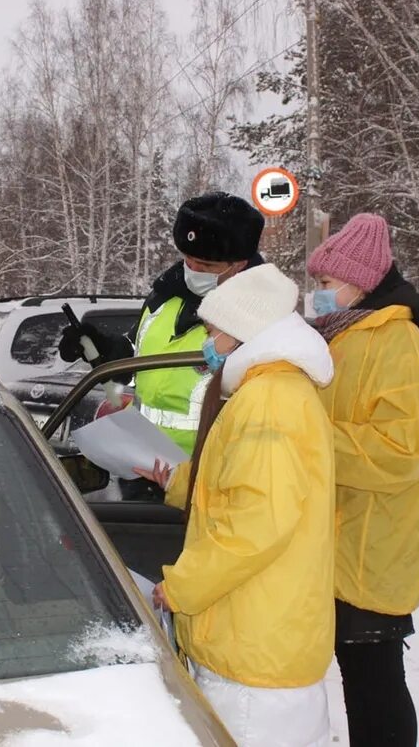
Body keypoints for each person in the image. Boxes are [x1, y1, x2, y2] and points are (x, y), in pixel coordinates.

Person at [136, 263, 337, 747]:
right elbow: (249, 486)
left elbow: (257, 524)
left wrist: (179, 588)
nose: (206, 341)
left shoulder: (267, 400)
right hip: (262, 639)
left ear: (243, 330)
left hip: (253, 660)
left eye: (212, 330)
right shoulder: (274, 391)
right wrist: (180, 483)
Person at [306, 214, 419, 747]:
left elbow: (402, 452)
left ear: (358, 283)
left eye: (325, 284)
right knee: (362, 678)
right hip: (343, 539)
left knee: (375, 683)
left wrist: (312, 438)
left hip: (372, 548)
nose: (318, 294)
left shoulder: (400, 347)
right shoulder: (342, 338)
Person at [59, 191, 264, 494]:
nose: (193, 271)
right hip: (140, 469)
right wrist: (103, 349)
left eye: (206, 265)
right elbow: (138, 355)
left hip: (208, 482)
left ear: (239, 264)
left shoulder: (259, 317)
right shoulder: (165, 297)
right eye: (188, 260)